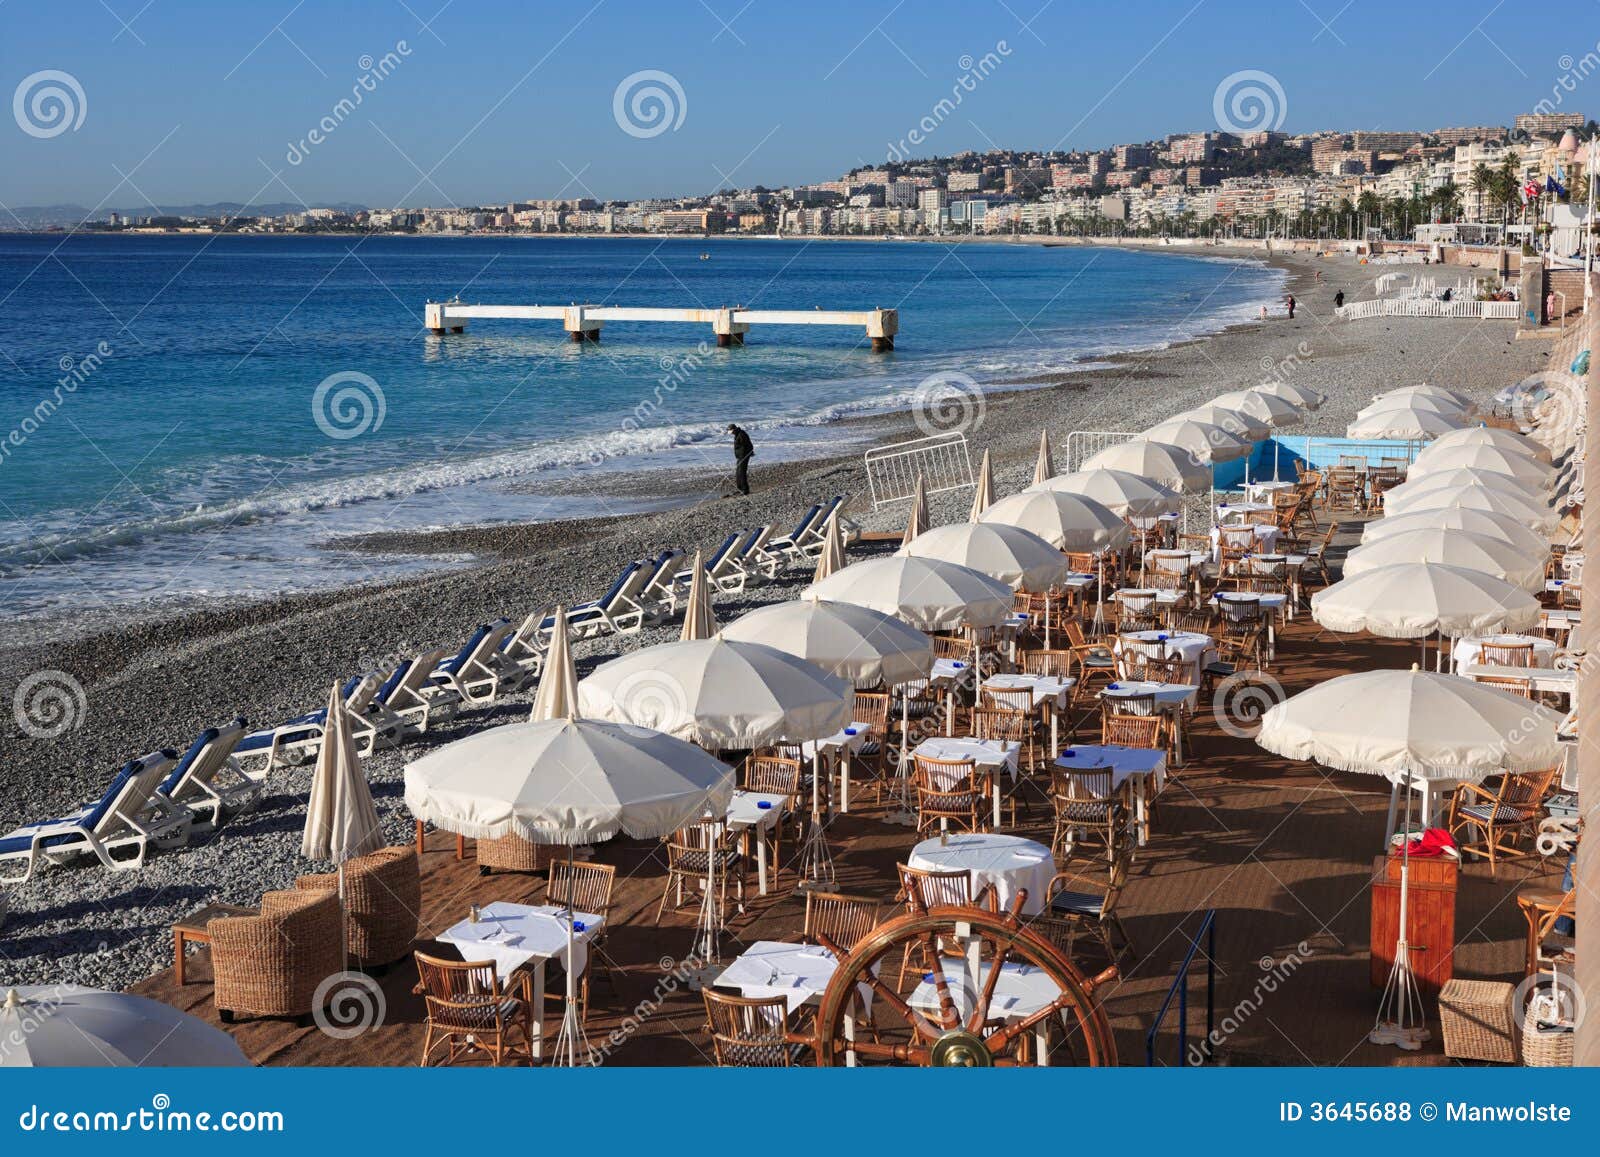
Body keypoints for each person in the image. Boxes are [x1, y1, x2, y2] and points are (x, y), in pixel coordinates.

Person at [728, 422, 754, 495]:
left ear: (734, 429)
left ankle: (745, 490)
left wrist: (746, 454)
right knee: (738, 473)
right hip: (740, 457)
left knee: (742, 472)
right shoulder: (737, 434)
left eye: (730, 431)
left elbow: (748, 445)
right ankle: (739, 489)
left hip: (744, 456)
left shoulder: (742, 434)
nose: (731, 433)